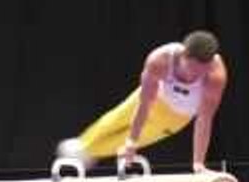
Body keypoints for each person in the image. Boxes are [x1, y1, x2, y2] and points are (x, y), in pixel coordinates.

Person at [56, 30, 228, 172]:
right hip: (153, 98)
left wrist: (198, 162)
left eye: (200, 72)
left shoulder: (215, 76)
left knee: (122, 143)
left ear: (209, 64)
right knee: (114, 119)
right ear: (183, 54)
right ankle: (82, 144)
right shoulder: (159, 60)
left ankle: (88, 152)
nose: (193, 76)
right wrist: (133, 140)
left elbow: (204, 119)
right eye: (190, 68)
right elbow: (145, 102)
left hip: (176, 117)